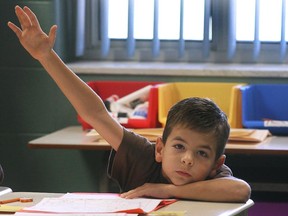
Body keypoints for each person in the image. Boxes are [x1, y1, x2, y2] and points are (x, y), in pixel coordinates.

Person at [8, 5, 251, 202]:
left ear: (216, 164)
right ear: (159, 149)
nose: (188, 159)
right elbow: (95, 114)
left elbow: (241, 191)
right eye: (179, 147)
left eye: (201, 153)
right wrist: (46, 56)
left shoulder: (215, 179)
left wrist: (166, 190)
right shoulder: (142, 156)